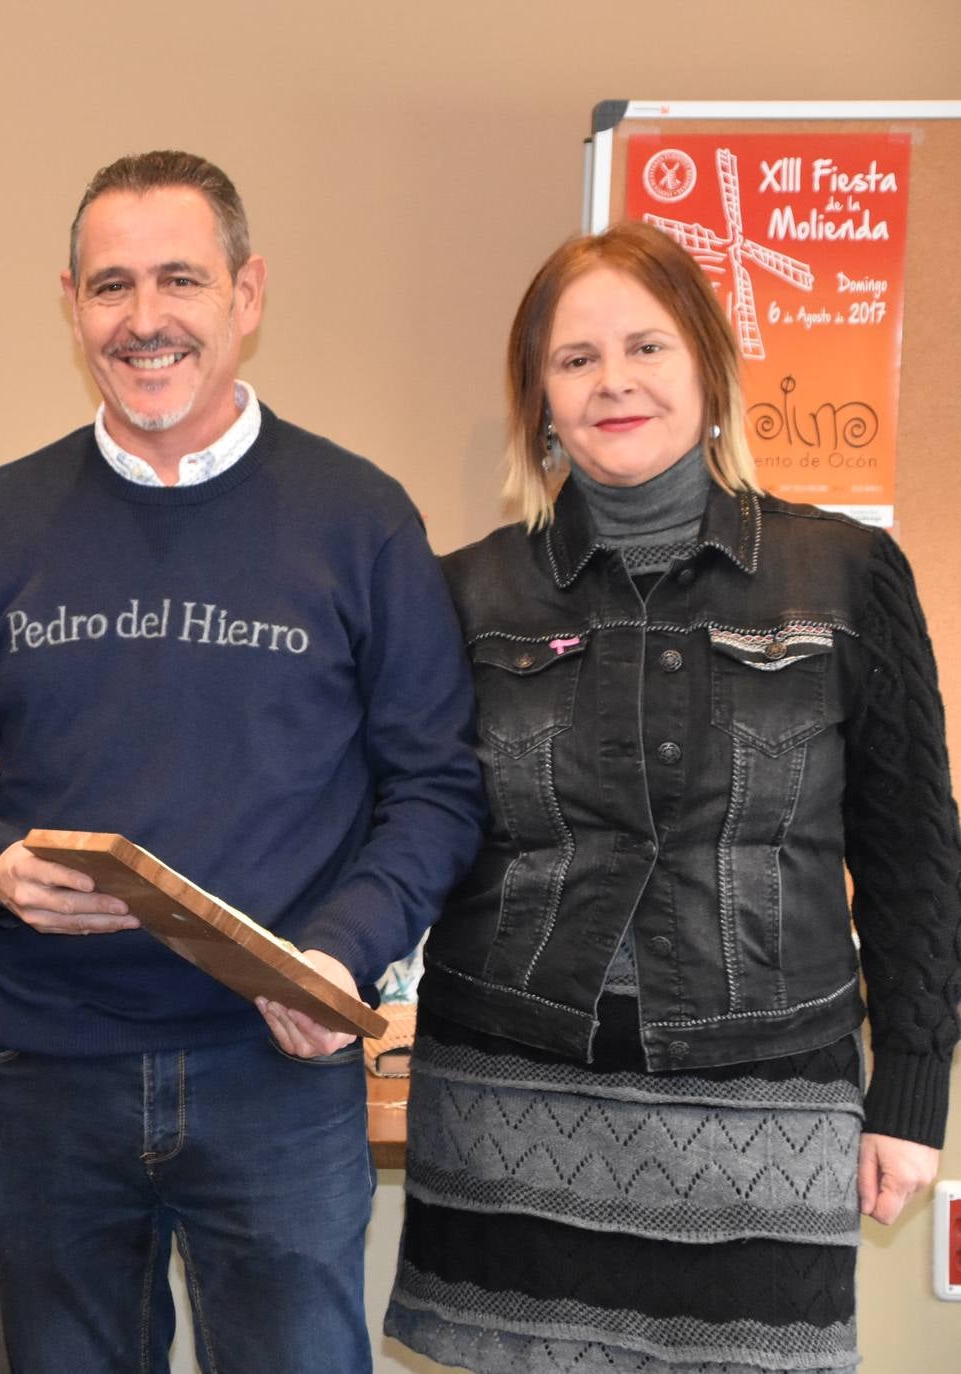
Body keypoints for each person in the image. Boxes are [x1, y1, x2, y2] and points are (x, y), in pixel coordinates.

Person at [0, 149, 486, 1373]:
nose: (144, 320)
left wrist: (338, 953)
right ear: (70, 304)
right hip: (49, 1073)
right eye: (111, 287)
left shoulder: (357, 519)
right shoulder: (2, 518)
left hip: (272, 1062)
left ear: (246, 294)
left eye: (179, 281)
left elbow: (435, 787)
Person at [383, 221, 961, 1373]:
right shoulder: (464, 592)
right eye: (576, 359)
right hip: (511, 1099)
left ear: (707, 366)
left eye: (646, 347)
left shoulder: (845, 574)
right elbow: (414, 819)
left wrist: (911, 1089)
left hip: (768, 1100)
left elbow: (911, 850)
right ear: (539, 399)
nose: (615, 383)